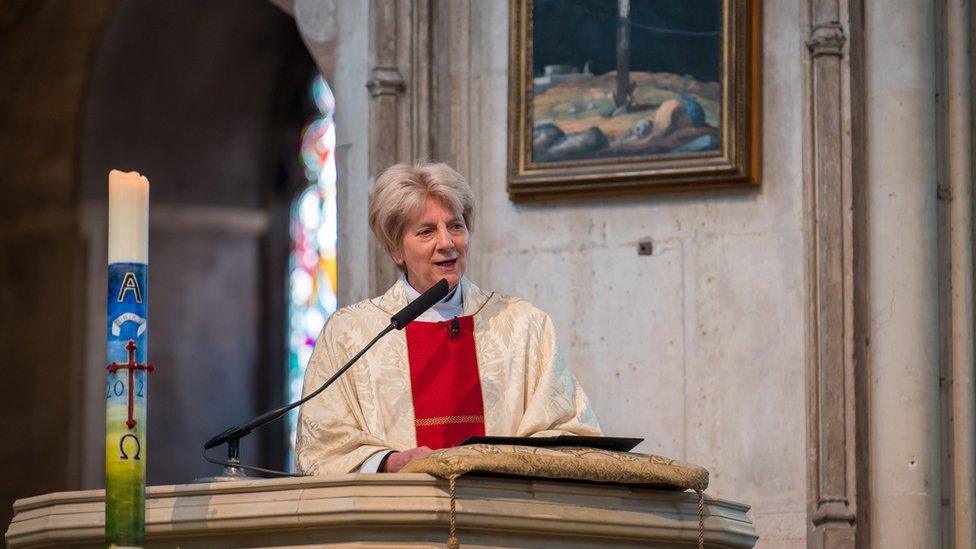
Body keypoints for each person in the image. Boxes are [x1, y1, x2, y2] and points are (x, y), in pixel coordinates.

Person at [295, 162, 600, 475]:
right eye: (427, 231)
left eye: (455, 226)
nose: (447, 243)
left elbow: (573, 434)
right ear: (395, 250)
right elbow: (321, 448)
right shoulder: (351, 333)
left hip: (499, 518)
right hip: (396, 517)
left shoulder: (524, 325)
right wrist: (387, 462)